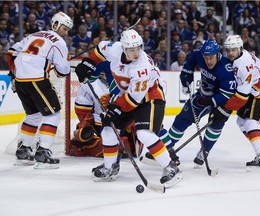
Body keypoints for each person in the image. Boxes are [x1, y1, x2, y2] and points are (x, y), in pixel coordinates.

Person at [75, 29, 182, 187]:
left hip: (150, 97)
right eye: (132, 50)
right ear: (124, 49)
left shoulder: (142, 67)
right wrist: (89, 63)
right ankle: (110, 166)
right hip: (127, 95)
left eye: (138, 48)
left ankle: (170, 167)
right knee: (108, 130)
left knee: (144, 134)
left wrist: (114, 109)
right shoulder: (115, 49)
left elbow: (133, 100)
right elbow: (99, 49)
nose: (136, 53)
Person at [144, 40, 236, 166]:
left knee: (216, 124)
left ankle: (205, 151)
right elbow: (191, 61)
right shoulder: (199, 53)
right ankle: (166, 149)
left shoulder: (226, 69)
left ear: (218, 54)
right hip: (202, 94)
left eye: (211, 58)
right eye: (206, 58)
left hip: (222, 101)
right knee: (181, 119)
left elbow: (228, 94)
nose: (208, 61)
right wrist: (187, 73)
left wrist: (212, 102)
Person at [5, 12, 73, 169]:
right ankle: (43, 152)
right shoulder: (59, 42)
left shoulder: (34, 35)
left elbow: (11, 52)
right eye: (64, 28)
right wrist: (64, 63)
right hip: (36, 79)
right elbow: (63, 71)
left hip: (20, 80)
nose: (66, 32)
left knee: (33, 115)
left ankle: (23, 150)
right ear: (55, 25)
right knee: (54, 113)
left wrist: (15, 72)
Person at [211, 35, 260, 170]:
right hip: (255, 89)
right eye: (228, 50)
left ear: (240, 48)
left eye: (233, 50)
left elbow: (242, 95)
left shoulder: (243, 64)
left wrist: (224, 109)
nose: (230, 53)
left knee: (250, 121)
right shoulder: (238, 57)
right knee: (241, 122)